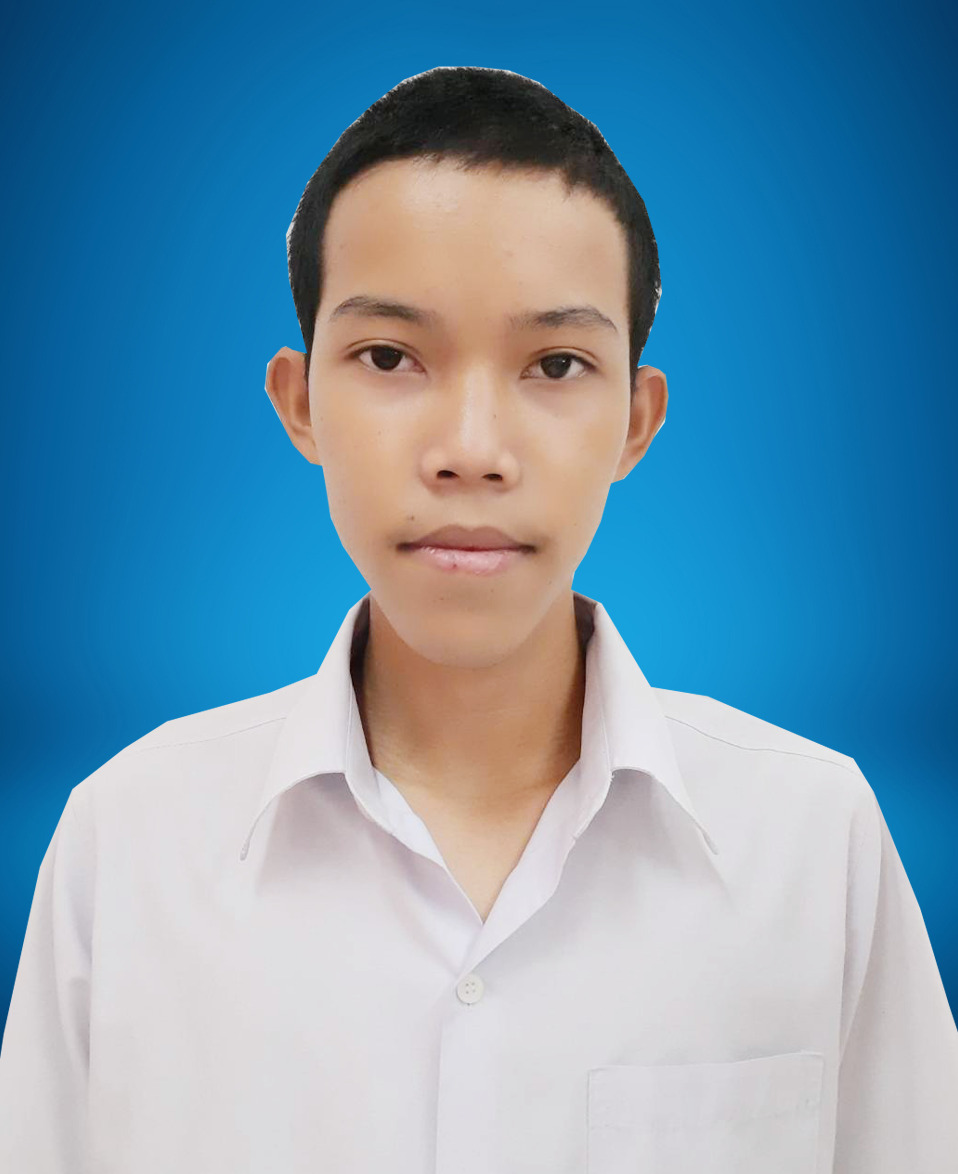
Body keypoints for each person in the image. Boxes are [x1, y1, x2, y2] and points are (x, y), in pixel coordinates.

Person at [1, 64, 955, 1173]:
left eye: (555, 364)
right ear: (300, 402)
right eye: (389, 356)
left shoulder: (812, 838)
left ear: (635, 420)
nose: (470, 449)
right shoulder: (128, 842)